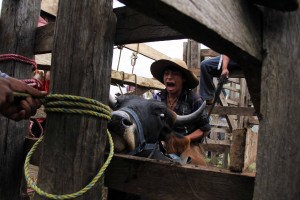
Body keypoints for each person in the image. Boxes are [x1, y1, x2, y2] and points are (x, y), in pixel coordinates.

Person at [150, 58, 211, 143]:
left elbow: (205, 130)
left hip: (188, 147)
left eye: (175, 74)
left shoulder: (194, 100)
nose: (169, 77)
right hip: (161, 145)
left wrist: (185, 140)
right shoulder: (157, 99)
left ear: (184, 79)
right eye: (166, 74)